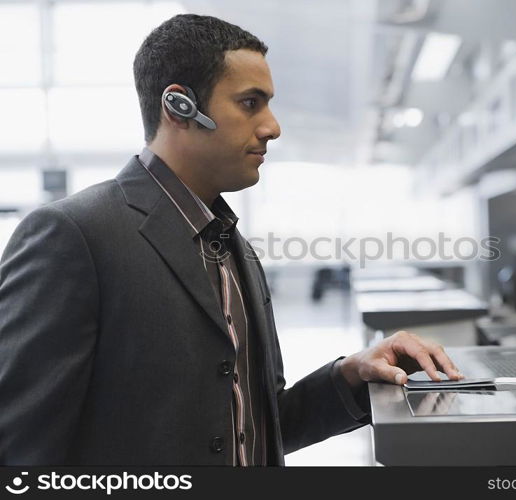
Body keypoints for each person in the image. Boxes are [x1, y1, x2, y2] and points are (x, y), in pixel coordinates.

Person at [0, 14, 463, 466]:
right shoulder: (73, 236)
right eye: (250, 103)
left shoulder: (232, 246)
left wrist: (349, 375)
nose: (272, 126)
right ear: (179, 106)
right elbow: (19, 450)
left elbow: (254, 424)